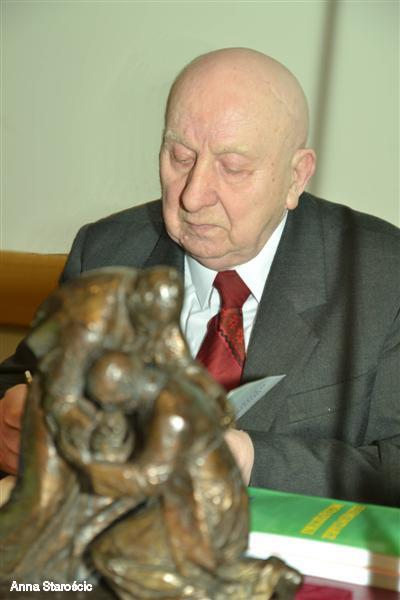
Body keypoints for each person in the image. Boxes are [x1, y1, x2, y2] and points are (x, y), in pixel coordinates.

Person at [0, 47, 399, 506]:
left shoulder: (382, 276)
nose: (193, 196)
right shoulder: (107, 252)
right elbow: (21, 376)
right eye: (180, 156)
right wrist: (10, 419)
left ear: (296, 177)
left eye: (233, 168)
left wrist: (248, 460)